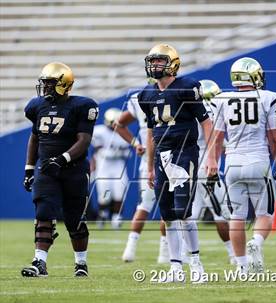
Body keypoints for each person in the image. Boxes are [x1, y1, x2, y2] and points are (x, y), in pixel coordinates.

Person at [138, 44, 218, 283]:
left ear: (173, 64)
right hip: (161, 155)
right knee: (168, 215)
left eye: (160, 61)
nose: (155, 65)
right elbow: (151, 132)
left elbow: (206, 123)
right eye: (153, 61)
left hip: (185, 152)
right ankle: (175, 268)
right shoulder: (147, 94)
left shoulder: (186, 87)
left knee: (184, 212)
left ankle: (196, 264)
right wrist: (150, 166)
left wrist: (212, 156)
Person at [22, 62, 98, 277]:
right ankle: (40, 262)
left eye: (50, 84)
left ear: (64, 85)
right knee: (43, 212)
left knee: (75, 219)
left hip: (73, 169)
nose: (45, 88)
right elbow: (35, 137)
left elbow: (84, 140)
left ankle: (81, 263)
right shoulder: (37, 106)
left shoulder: (82, 106)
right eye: (44, 84)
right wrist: (29, 168)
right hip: (47, 169)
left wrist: (62, 159)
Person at [212, 57, 276, 274]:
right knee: (265, 214)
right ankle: (257, 241)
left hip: (232, 163)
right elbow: (274, 139)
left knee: (236, 216)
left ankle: (242, 266)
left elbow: (216, 140)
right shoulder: (268, 98)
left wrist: (214, 165)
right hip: (258, 161)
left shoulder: (222, 99)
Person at [114, 89, 170, 264]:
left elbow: (118, 124)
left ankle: (130, 250)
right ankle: (164, 252)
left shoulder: (139, 97)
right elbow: (118, 124)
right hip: (168, 155)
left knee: (144, 205)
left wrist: (136, 143)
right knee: (167, 207)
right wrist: (135, 143)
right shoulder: (173, 94)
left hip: (150, 159)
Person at [191, 79, 235, 265]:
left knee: (190, 215)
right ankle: (234, 255)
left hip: (193, 166)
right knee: (223, 214)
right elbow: (216, 140)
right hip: (207, 167)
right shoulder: (210, 112)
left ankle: (186, 255)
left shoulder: (191, 111)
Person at [91, 108, 130, 229]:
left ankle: (116, 217)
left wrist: (116, 152)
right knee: (104, 195)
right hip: (103, 167)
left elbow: (128, 151)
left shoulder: (123, 132)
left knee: (119, 193)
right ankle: (102, 215)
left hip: (118, 167)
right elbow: (98, 150)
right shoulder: (99, 131)